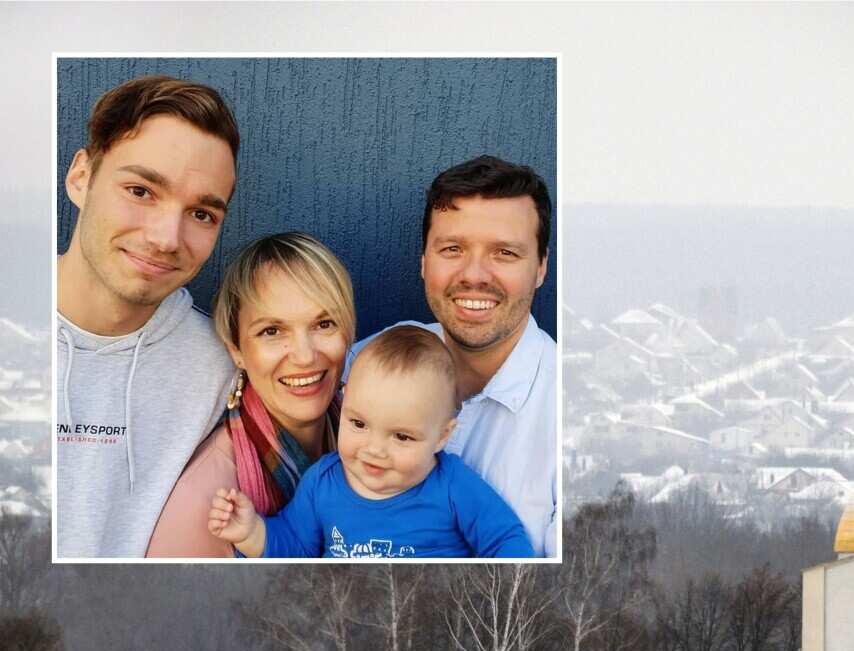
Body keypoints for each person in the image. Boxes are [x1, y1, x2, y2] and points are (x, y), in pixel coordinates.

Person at [56, 75, 240, 558]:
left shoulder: (221, 370)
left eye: (202, 214)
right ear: (81, 177)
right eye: (140, 191)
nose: (166, 238)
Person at [345, 155, 558, 557]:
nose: (474, 275)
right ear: (424, 261)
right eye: (453, 248)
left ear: (542, 267)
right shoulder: (370, 361)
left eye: (504, 253)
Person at [209, 326, 533, 558]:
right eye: (359, 424)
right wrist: (252, 532)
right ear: (345, 401)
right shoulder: (323, 483)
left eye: (402, 436)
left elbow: (506, 540)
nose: (374, 449)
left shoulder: (453, 486)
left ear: (442, 436)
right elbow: (294, 545)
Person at [146, 232, 355, 557]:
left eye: (324, 324)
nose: (304, 356)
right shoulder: (206, 504)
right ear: (236, 350)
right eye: (272, 331)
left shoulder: (370, 440)